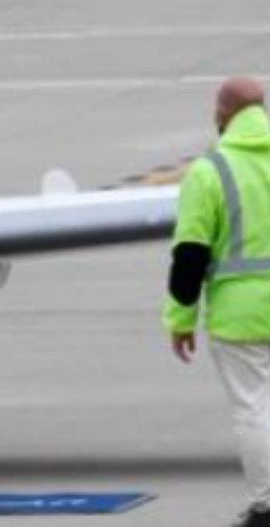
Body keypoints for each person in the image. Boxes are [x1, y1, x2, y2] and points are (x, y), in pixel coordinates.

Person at [166, 77, 270, 527]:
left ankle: (267, 505)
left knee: (255, 409)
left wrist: (180, 318)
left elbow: (190, 256)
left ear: (222, 115)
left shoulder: (210, 171)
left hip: (241, 315)